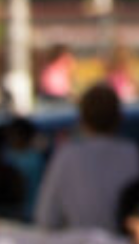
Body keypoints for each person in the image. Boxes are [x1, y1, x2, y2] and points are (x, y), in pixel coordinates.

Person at [35, 81, 139, 232]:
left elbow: (46, 219)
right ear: (118, 117)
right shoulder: (132, 154)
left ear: (81, 118)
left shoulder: (67, 157)